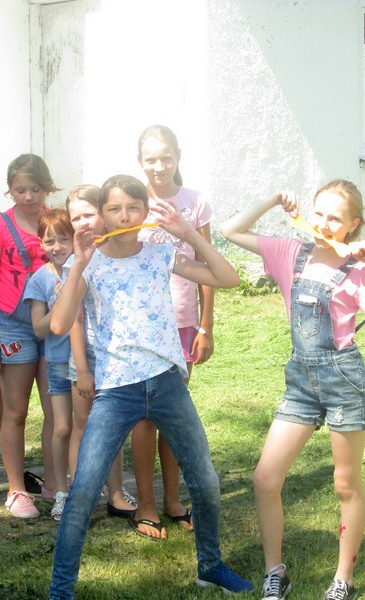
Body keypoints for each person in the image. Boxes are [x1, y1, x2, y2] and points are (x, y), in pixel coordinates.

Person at [49, 174, 252, 598]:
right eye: (114, 209)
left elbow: (228, 277)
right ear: (102, 215)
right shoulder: (88, 263)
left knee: (205, 480)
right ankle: (61, 590)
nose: (125, 216)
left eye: (133, 208)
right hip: (116, 390)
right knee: (83, 487)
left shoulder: (162, 254)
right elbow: (59, 324)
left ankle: (210, 567)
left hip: (166, 383)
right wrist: (79, 263)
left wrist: (188, 233)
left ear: (145, 211)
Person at [220, 180, 365, 600]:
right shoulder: (289, 253)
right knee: (265, 479)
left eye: (335, 218)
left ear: (352, 225)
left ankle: (343, 580)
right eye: (319, 213)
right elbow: (230, 231)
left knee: (346, 484)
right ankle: (275, 572)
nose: (324, 224)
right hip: (301, 383)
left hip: (344, 382)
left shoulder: (359, 271)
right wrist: (273, 200)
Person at [133, 124, 214, 537]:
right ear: (140, 162)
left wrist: (205, 325)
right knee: (144, 417)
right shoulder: (132, 203)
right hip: (141, 327)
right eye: (150, 159)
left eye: (166, 157)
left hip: (182, 323)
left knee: (173, 414)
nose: (159, 166)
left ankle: (172, 499)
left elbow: (207, 265)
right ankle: (145, 504)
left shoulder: (195, 203)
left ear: (178, 157)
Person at [0, 153, 58, 518]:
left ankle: (54, 485)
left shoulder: (57, 221)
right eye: (20, 190)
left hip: (53, 323)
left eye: (35, 189)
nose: (28, 197)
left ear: (47, 188)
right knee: (15, 410)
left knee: (56, 409)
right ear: (9, 189)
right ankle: (16, 489)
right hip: (13, 325)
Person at [65, 185, 136, 520]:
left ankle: (116, 493)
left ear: (104, 214)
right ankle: (78, 496)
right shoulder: (76, 262)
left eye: (89, 214)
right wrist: (82, 369)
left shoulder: (120, 253)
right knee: (82, 425)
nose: (83, 222)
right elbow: (74, 320)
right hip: (86, 356)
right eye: (75, 217)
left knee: (113, 428)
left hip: (116, 356)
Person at [22, 209, 73, 520]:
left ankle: (90, 486)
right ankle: (61, 491)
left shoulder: (85, 269)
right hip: (57, 361)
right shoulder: (40, 279)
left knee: (89, 425)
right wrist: (60, 303)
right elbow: (38, 330)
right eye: (50, 241)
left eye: (63, 239)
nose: (58, 247)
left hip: (88, 359)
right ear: (40, 243)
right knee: (62, 426)